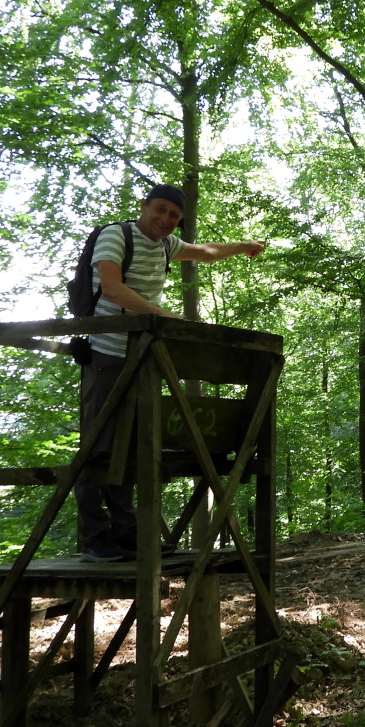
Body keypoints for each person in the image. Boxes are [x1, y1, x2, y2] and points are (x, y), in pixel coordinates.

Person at [76, 183, 265, 563]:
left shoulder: (166, 245)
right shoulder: (116, 235)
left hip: (142, 356)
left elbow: (206, 253)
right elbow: (111, 288)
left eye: (174, 216)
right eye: (160, 210)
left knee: (132, 444)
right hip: (107, 355)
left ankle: (126, 533)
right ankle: (94, 537)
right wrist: (165, 317)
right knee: (100, 445)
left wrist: (240, 245)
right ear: (144, 206)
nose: (165, 220)